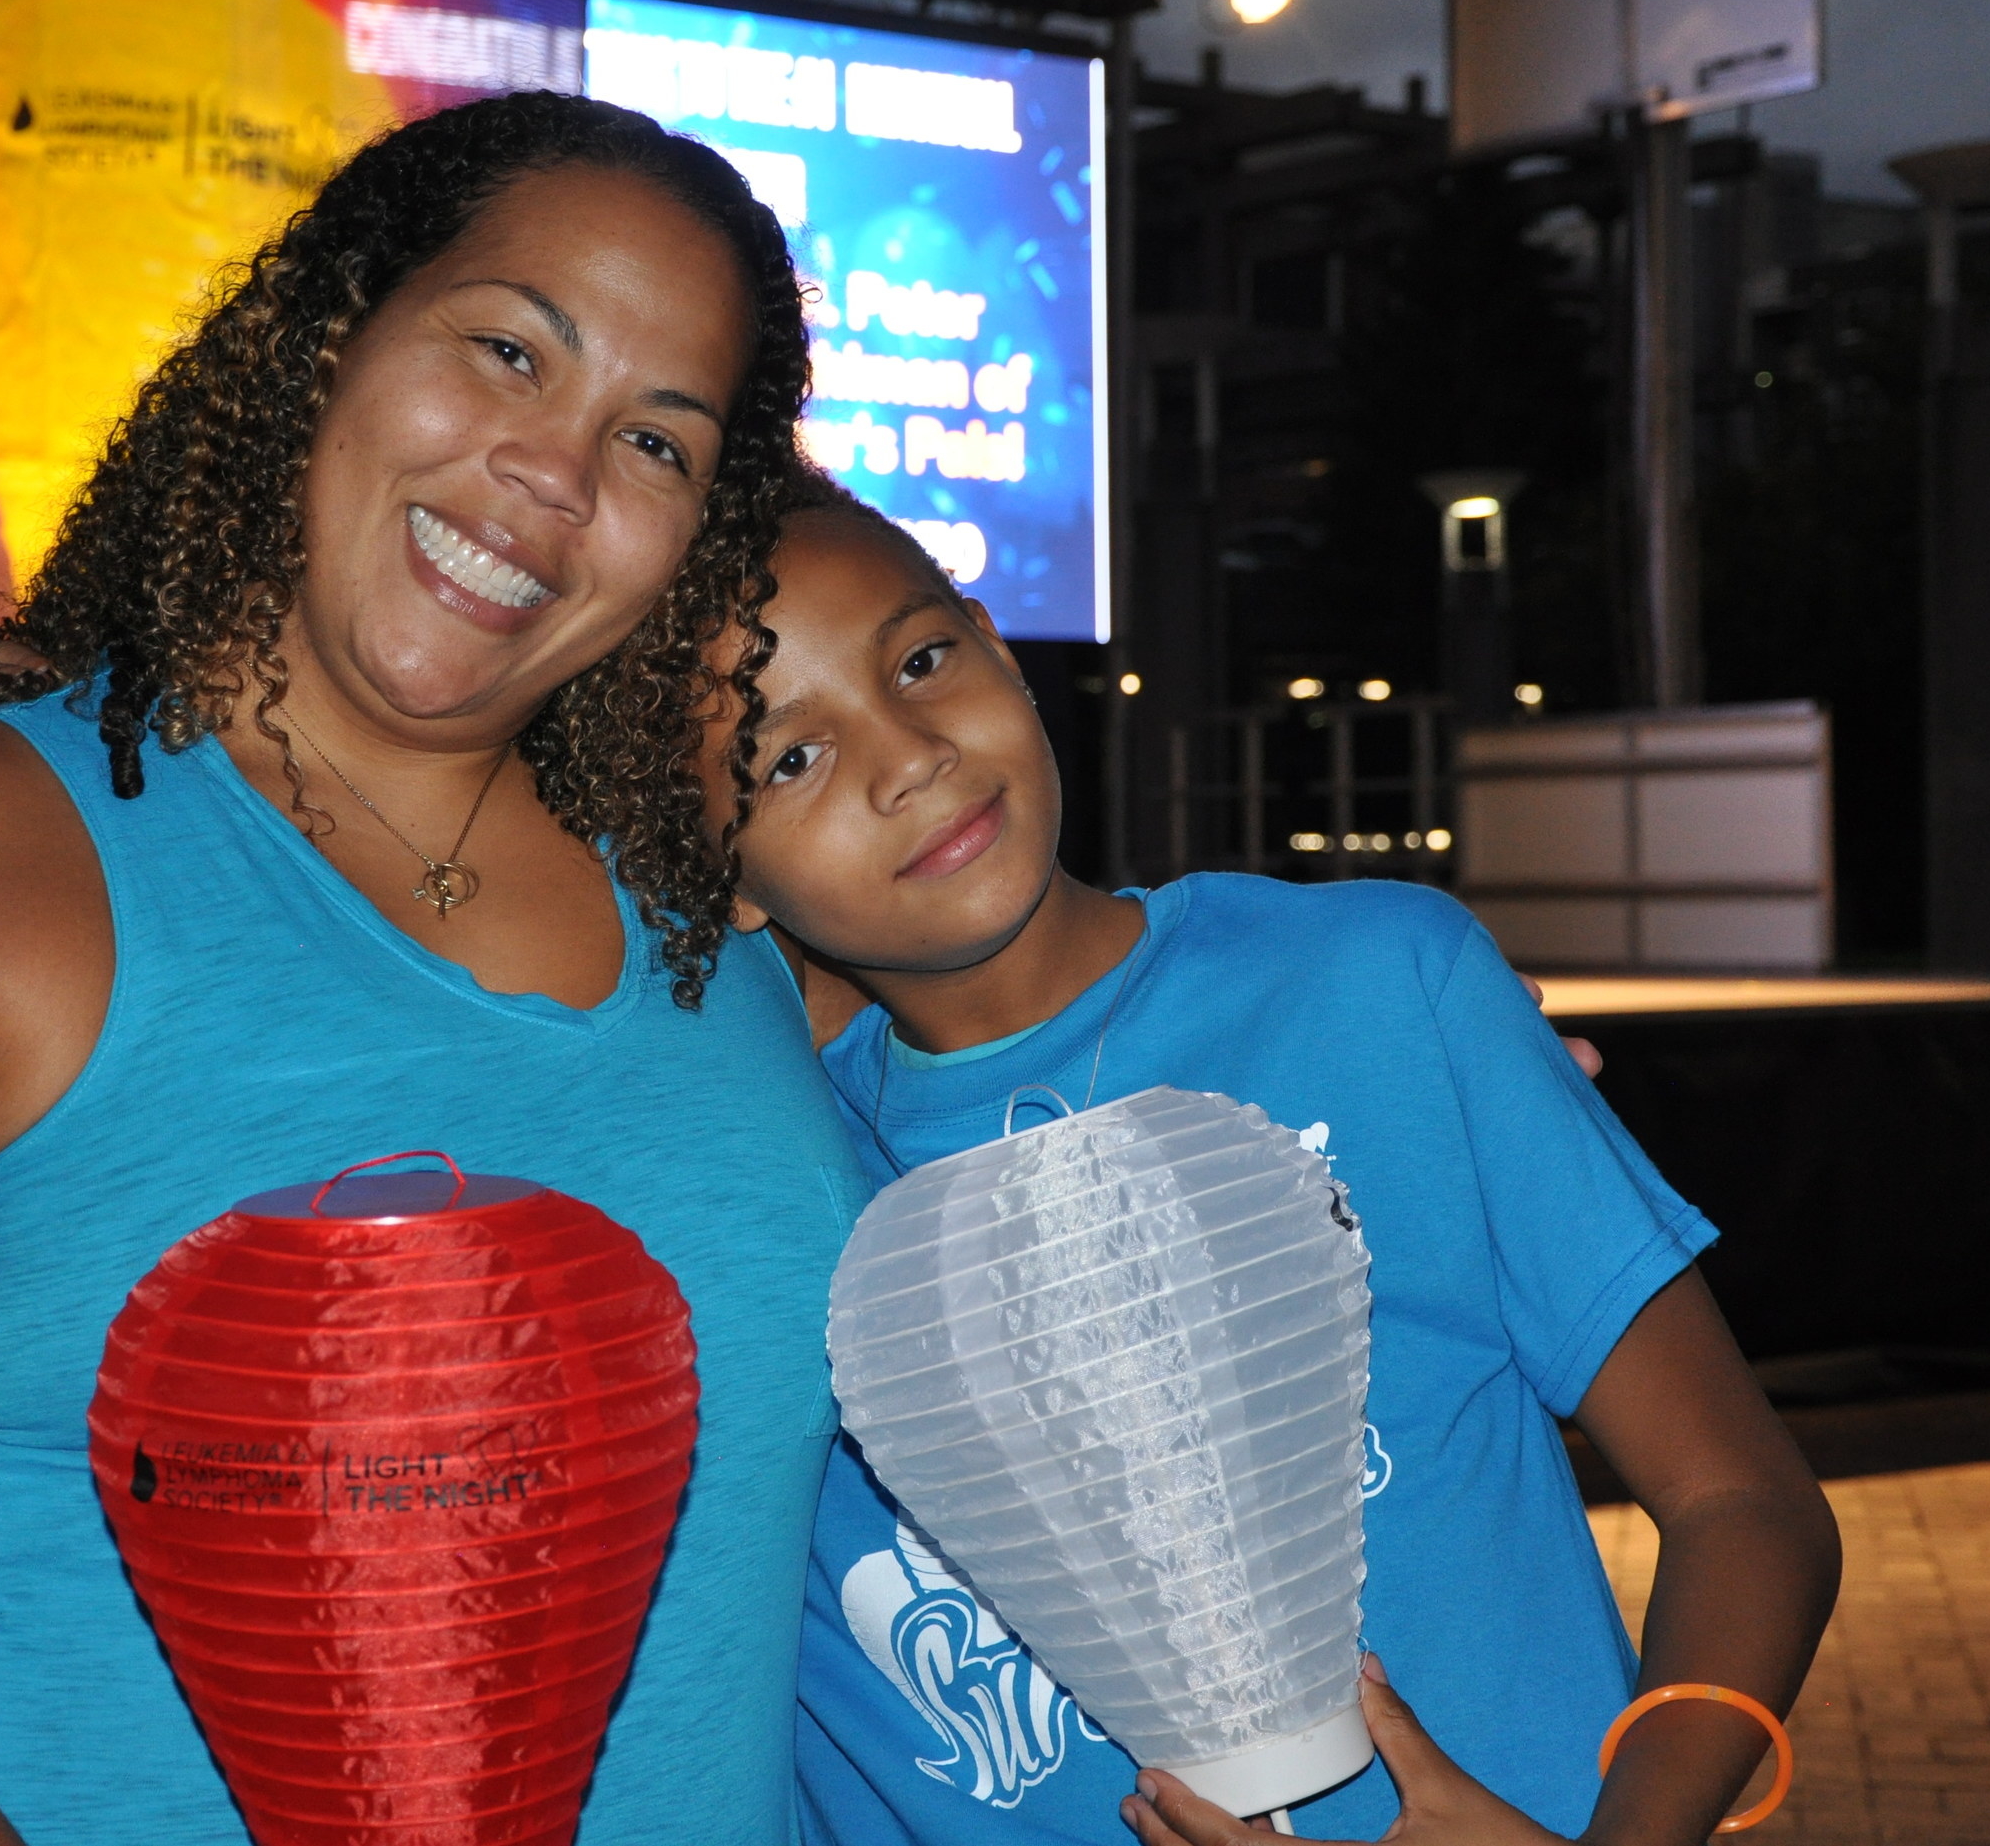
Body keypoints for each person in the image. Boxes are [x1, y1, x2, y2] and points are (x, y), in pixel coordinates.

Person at [0, 94, 874, 1846]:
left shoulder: (727, 923)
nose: (559, 470)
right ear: (320, 337)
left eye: (659, 445)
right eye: (509, 349)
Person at [693, 492, 1842, 1846]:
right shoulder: (782, 1211)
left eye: (922, 659)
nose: (910, 759)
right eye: (793, 759)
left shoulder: (1381, 984)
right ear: (723, 871)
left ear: (1003, 644)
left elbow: (1745, 1501)